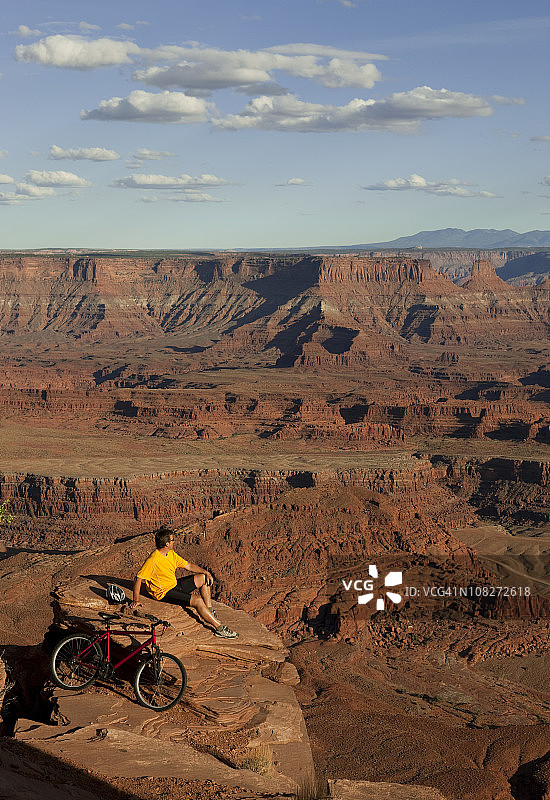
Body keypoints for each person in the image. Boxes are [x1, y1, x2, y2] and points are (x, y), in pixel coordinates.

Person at [129, 527, 238, 639]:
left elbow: (189, 566)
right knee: (198, 600)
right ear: (167, 544)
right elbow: (138, 578)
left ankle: (210, 611)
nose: (174, 541)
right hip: (164, 593)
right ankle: (220, 628)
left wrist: (206, 572)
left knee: (203, 578)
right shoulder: (152, 560)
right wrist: (136, 600)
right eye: (172, 540)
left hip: (174, 585)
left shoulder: (170, 554)